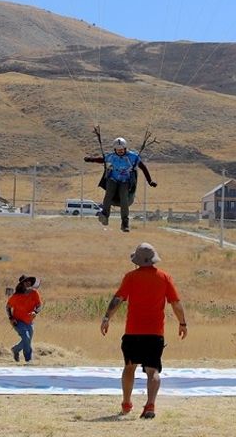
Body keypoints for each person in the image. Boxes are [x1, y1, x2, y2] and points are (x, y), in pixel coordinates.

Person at [100, 242, 187, 420]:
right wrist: (182, 323)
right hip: (155, 333)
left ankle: (126, 403)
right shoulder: (165, 277)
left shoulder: (130, 277)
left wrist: (107, 317)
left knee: (129, 367)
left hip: (133, 331)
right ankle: (150, 405)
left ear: (137, 261)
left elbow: (118, 298)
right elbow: (176, 304)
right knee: (153, 370)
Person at [84, 137, 156, 233]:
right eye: (118, 150)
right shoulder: (112, 157)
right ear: (115, 150)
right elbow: (102, 160)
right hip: (113, 179)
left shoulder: (133, 157)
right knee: (109, 193)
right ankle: (105, 215)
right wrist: (90, 159)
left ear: (125, 149)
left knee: (124, 198)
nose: (120, 152)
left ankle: (125, 223)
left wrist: (150, 181)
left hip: (125, 181)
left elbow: (143, 168)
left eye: (122, 150)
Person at [6, 275, 43, 363]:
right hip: (18, 322)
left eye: (29, 281)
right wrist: (11, 318)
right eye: (25, 282)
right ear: (21, 284)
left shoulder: (34, 293)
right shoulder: (16, 296)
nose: (28, 283)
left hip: (29, 322)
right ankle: (28, 360)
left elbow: (39, 305)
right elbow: (8, 307)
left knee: (28, 340)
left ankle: (15, 350)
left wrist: (35, 312)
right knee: (26, 338)